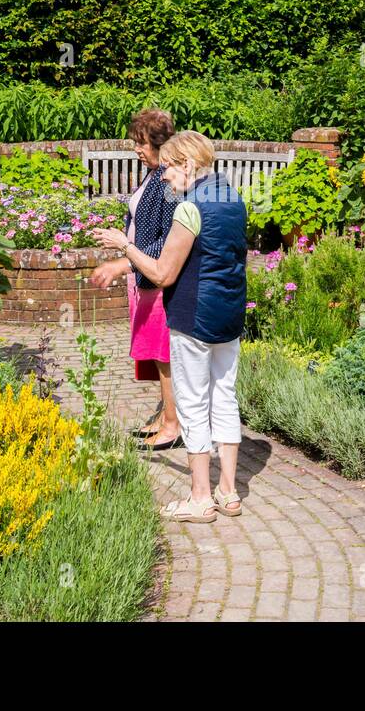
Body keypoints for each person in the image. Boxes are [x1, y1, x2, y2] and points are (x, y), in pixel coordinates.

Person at [93, 130, 247, 523]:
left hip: (194, 315)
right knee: (224, 397)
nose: (162, 177)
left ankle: (200, 498)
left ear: (187, 165)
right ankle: (229, 492)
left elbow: (162, 272)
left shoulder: (189, 208)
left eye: (167, 169)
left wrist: (123, 246)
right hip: (228, 316)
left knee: (194, 403)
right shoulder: (233, 197)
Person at [88, 108, 180, 448]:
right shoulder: (152, 173)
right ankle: (165, 415)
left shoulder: (169, 180)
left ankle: (173, 424)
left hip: (155, 277)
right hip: (142, 274)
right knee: (155, 353)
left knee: (163, 351)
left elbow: (168, 237)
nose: (136, 150)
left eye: (140, 143)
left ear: (158, 143)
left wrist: (122, 262)